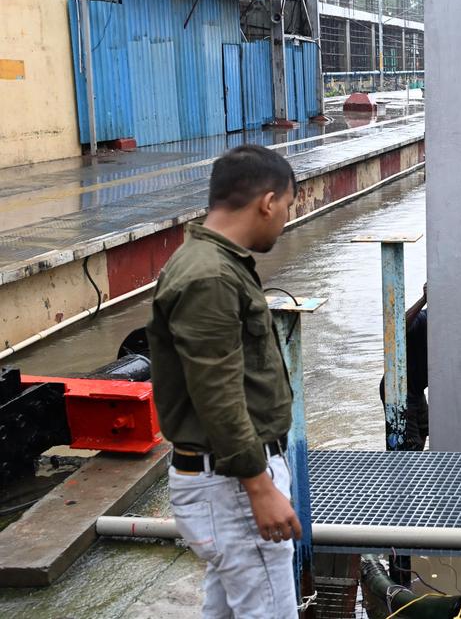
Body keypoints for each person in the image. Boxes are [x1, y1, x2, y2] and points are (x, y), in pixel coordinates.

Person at [147, 145, 300, 617]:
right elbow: (216, 390)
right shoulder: (211, 275)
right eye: (290, 207)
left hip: (225, 477)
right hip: (231, 482)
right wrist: (258, 486)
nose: (285, 219)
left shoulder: (209, 262)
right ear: (267, 202)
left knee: (228, 606)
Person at [378, 284, 429, 450]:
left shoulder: (449, 329)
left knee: (424, 429)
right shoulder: (422, 319)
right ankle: (405, 468)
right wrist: (423, 300)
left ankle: (414, 461)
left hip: (416, 389)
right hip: (399, 389)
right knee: (409, 443)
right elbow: (397, 327)